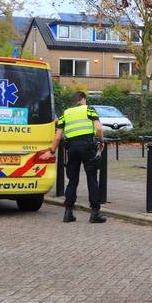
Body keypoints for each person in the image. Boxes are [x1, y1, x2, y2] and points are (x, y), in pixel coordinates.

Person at [49, 91, 106, 223]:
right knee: (92, 179)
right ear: (83, 99)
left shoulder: (65, 114)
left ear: (74, 101)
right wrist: (101, 141)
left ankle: (68, 212)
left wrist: (51, 151)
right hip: (87, 148)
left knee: (72, 180)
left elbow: (57, 137)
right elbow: (98, 129)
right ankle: (95, 213)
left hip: (72, 149)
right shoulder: (89, 110)